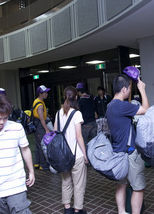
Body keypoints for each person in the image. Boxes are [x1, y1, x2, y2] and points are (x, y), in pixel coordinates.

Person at [106, 74, 149, 214]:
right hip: (130, 153)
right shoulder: (121, 106)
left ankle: (122, 211)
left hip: (118, 152)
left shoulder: (110, 105)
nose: (130, 91)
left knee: (121, 184)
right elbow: (146, 110)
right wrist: (142, 90)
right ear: (124, 89)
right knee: (138, 187)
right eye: (129, 88)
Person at [53, 86, 88, 214]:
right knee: (79, 184)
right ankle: (78, 210)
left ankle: (67, 209)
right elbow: (79, 136)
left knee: (66, 182)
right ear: (76, 97)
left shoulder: (58, 113)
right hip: (76, 154)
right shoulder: (77, 113)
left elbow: (55, 133)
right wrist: (85, 154)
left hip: (62, 155)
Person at [32, 85, 51, 170]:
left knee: (37, 145)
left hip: (37, 126)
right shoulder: (39, 104)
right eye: (45, 92)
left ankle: (36, 163)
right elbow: (42, 119)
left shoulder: (37, 101)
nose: (47, 94)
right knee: (41, 146)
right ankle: (43, 165)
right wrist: (46, 129)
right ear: (40, 94)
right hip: (40, 126)